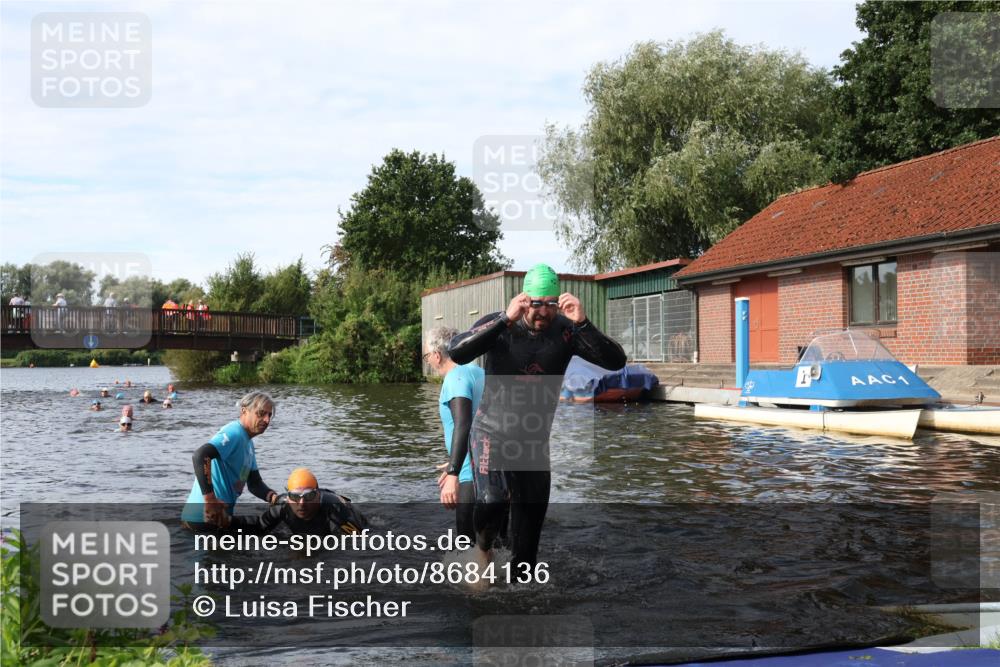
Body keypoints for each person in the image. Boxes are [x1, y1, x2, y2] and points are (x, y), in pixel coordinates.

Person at [448, 263, 626, 570]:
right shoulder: (501, 324)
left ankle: (523, 598)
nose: (543, 312)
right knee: (491, 501)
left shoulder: (566, 331)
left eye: (551, 304)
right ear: (524, 299)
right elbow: (458, 352)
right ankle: (483, 553)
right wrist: (505, 319)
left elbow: (615, 361)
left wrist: (583, 323)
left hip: (533, 444)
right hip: (491, 433)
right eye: (536, 304)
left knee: (527, 554)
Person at [181, 391, 279, 529]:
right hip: (203, 517)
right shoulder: (234, 433)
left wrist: (274, 498)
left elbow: (254, 483)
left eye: (269, 415)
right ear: (244, 411)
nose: (267, 420)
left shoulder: (248, 443)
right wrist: (209, 500)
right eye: (261, 413)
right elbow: (200, 455)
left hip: (220, 518)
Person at [424, 326, 484, 543]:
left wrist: (454, 473)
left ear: (437, 355)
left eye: (426, 356)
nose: (428, 361)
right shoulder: (478, 372)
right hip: (495, 473)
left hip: (472, 476)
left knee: (467, 550)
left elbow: (463, 424)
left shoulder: (454, 379)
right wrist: (452, 462)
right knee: (494, 549)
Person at [221, 467, 367, 537]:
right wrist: (228, 521)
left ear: (318, 496)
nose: (302, 503)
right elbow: (259, 525)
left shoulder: (335, 511)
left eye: (309, 496)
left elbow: (357, 544)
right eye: (296, 497)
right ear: (288, 497)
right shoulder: (282, 505)